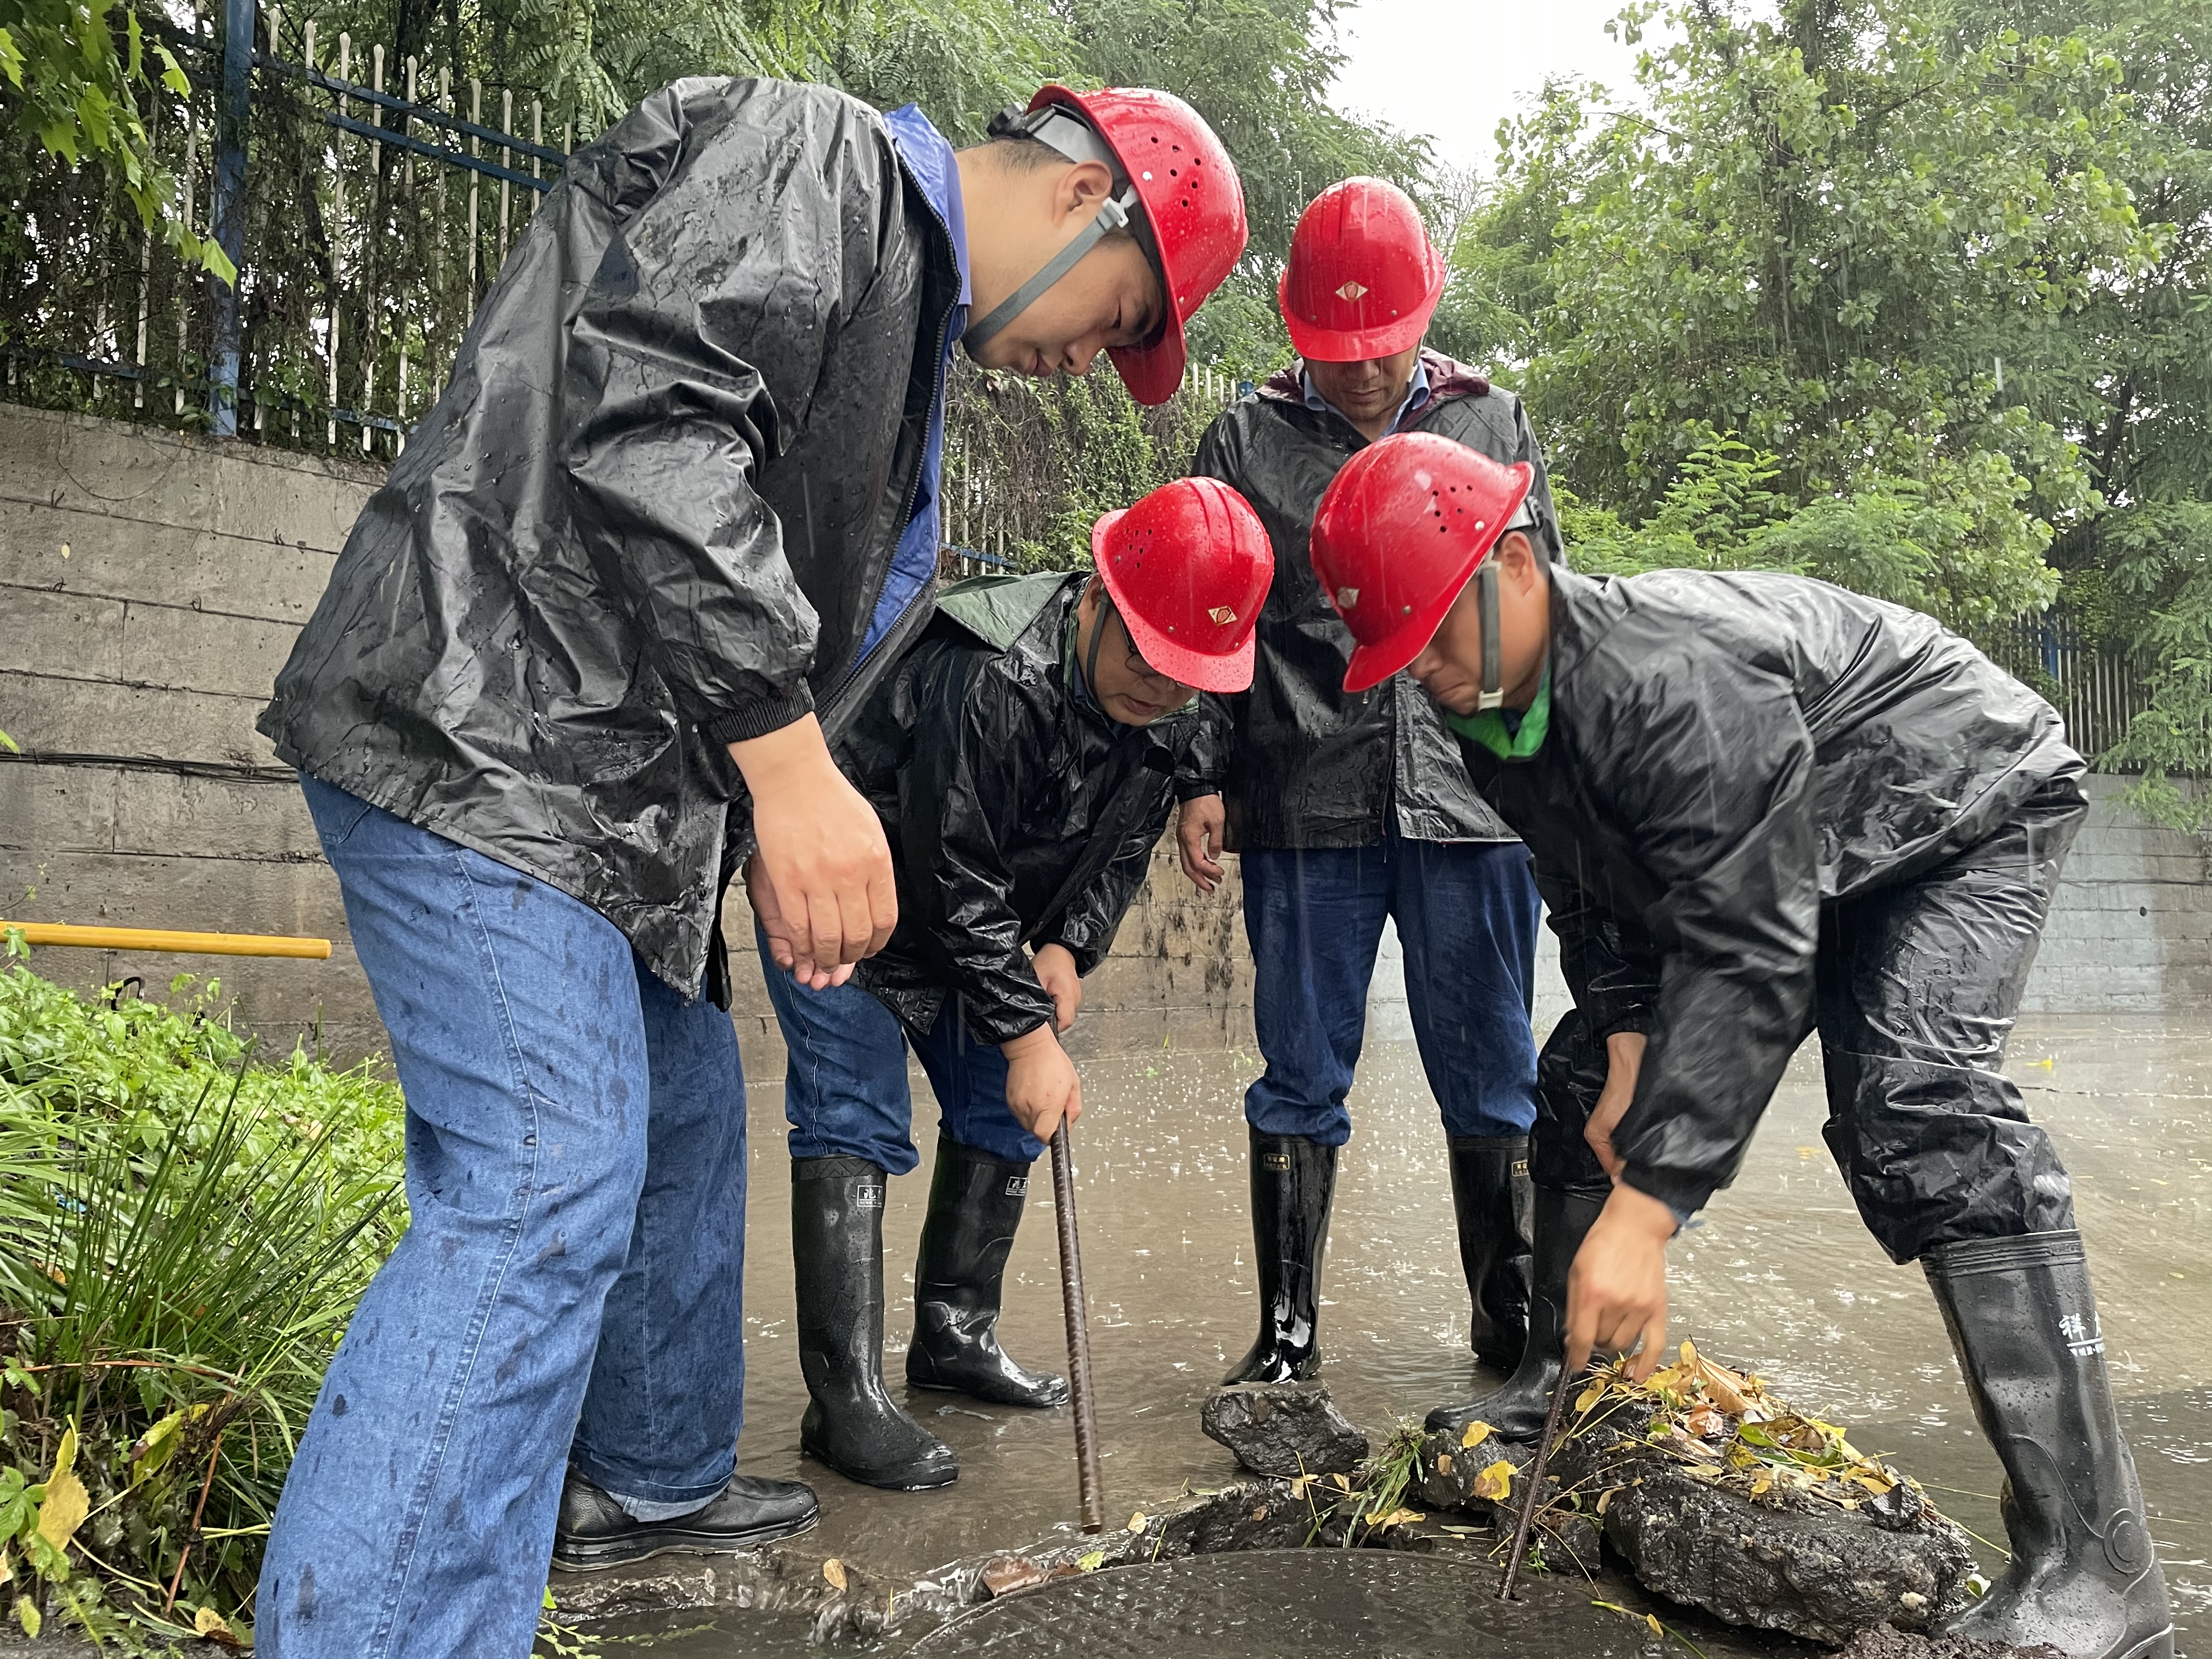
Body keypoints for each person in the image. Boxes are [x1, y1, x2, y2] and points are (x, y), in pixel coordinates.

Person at [252, 74, 1246, 1658]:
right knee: (541, 1189)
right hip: (490, 731)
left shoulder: (908, 316)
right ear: (1084, 198)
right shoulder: (830, 160)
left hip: (605, 804)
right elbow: (647, 406)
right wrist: (785, 766)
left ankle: (649, 1485)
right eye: (1124, 315)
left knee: (690, 1100)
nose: (1093, 361)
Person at [1306, 431, 2174, 1659]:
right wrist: (1623, 1040)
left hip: (1956, 802)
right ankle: (1578, 1386)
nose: (1430, 676)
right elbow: (1588, 881)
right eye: (1402, 654)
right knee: (1572, 1081)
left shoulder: (1672, 681)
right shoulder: (1487, 708)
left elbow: (1752, 945)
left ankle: (2099, 1565)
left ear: (1513, 562)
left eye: (1439, 634)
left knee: (1915, 1101)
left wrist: (1650, 1209)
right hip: (1797, 844)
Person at [764, 477, 1268, 1489]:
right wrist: (1031, 1036)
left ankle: (952, 1337)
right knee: (855, 1111)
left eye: (1185, 676)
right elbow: (954, 868)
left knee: (1002, 1110)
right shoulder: (994, 675)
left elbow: (1127, 840)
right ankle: (845, 1401)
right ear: (1096, 601)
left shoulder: (1173, 707)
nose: (1161, 691)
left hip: (979, 924)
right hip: (853, 909)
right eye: (1146, 660)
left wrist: (1071, 947)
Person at [1183, 177, 1552, 1386]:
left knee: (1492, 1066)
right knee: (1299, 1070)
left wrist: (1551, 788)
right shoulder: (1246, 440)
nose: (1358, 372)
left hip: (1472, 805)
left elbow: (1538, 618)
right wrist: (1200, 776)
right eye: (1334, 350)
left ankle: (1510, 1318)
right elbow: (1209, 620)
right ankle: (1287, 1339)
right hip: (1304, 801)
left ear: (1421, 322)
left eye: (1380, 347)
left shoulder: (1492, 425)